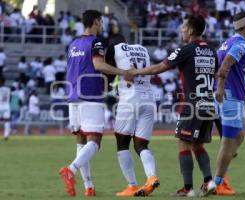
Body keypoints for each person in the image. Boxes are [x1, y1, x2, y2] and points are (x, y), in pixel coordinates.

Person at [126, 15, 217, 197]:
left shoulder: (186, 49)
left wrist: (135, 72)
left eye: (184, 27)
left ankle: (188, 188)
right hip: (208, 102)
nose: (182, 30)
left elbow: (159, 67)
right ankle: (209, 181)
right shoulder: (212, 51)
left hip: (192, 104)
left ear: (191, 30)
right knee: (197, 144)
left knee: (184, 143)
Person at [59, 10, 127, 197]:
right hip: (90, 94)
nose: (102, 25)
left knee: (81, 139)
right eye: (101, 21)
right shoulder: (96, 42)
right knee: (95, 141)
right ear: (96, 22)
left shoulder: (73, 44)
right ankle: (71, 170)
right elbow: (98, 65)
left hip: (73, 95)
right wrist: (122, 72)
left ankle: (89, 186)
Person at [207, 12, 245, 195]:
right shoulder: (241, 44)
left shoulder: (226, 42)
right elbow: (225, 65)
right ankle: (216, 183)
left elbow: (218, 66)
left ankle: (222, 165)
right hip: (230, 96)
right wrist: (220, 88)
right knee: (228, 142)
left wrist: (218, 88)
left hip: (223, 94)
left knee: (239, 137)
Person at [105, 34, 160, 197]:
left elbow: (108, 72)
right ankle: (151, 177)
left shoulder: (113, 49)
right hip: (149, 99)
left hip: (130, 99)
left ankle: (131, 185)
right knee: (141, 144)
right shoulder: (142, 49)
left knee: (122, 142)